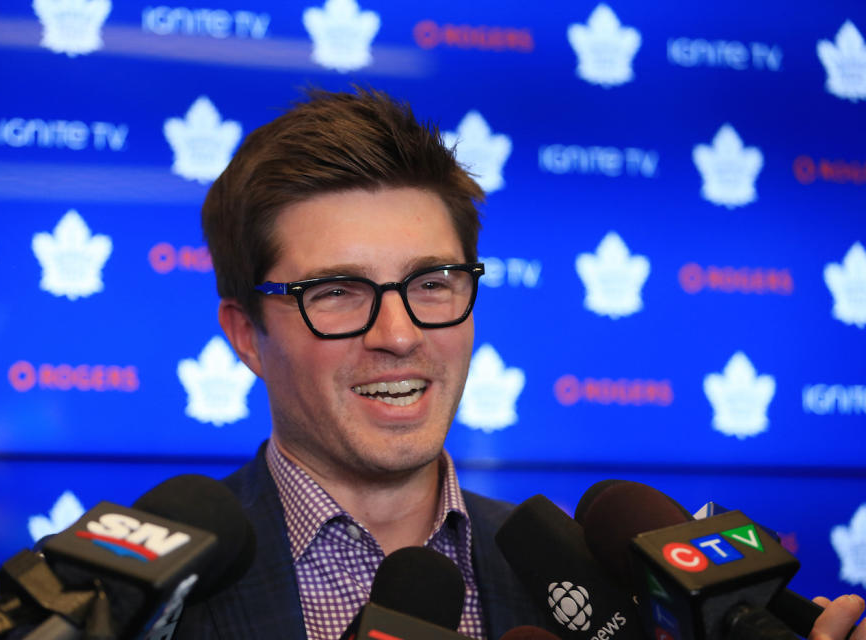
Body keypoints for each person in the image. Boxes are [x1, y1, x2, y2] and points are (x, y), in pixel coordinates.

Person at [176, 87, 865, 640]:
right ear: (245, 334)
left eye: (431, 283)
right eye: (336, 292)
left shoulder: (598, 583)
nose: (398, 333)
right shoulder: (116, 601)